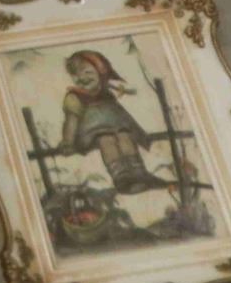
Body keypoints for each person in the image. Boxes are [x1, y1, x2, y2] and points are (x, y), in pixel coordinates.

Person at [58, 49, 159, 194]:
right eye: (76, 75)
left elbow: (117, 112)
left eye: (87, 72)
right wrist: (68, 141)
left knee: (124, 136)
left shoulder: (105, 93)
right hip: (91, 133)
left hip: (116, 127)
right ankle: (121, 177)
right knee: (106, 139)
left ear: (100, 73)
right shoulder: (75, 97)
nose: (82, 78)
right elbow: (71, 121)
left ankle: (138, 172)